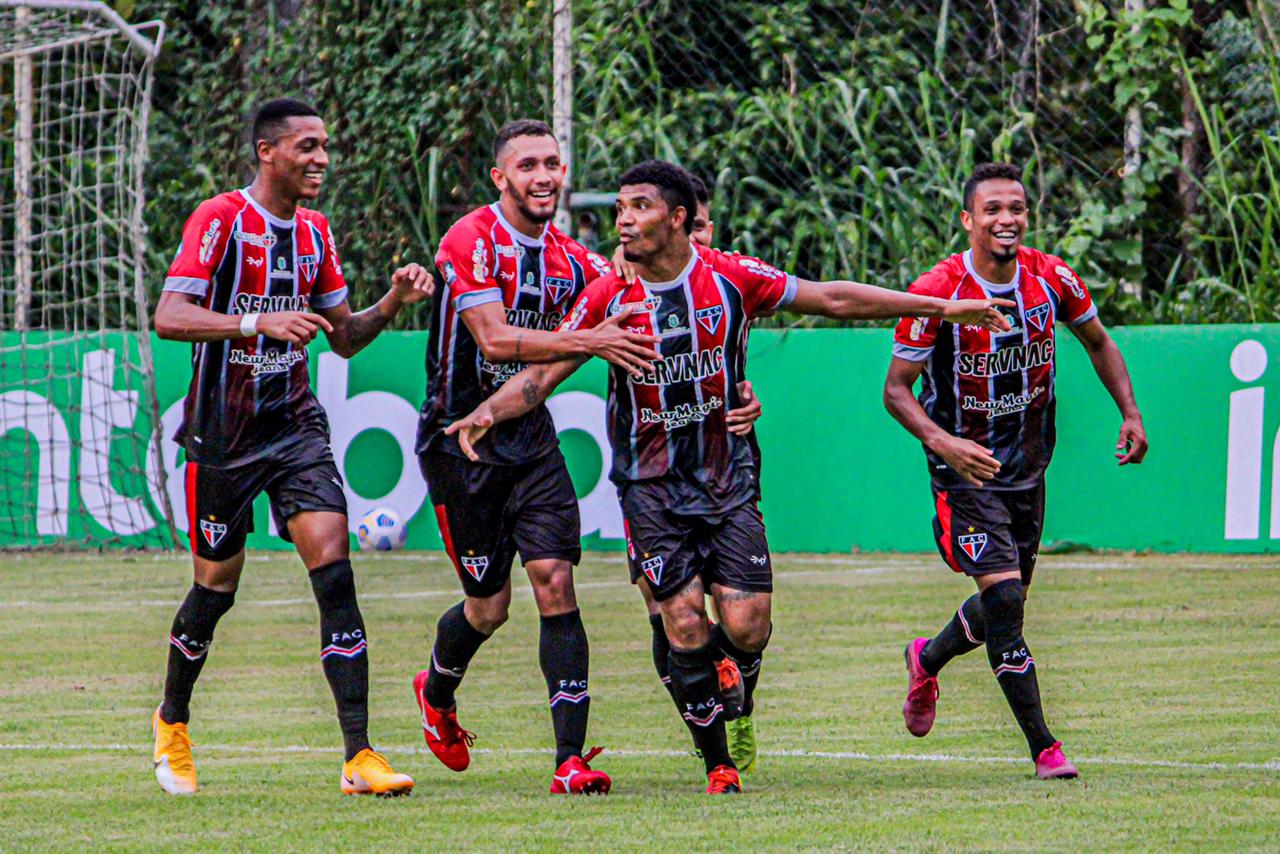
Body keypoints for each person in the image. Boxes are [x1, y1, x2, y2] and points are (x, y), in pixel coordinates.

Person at [446, 159, 1013, 794]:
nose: (623, 220)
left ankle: (730, 683)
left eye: (638, 207)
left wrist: (944, 307)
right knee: (682, 620)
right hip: (650, 487)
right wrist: (489, 411)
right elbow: (543, 376)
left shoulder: (731, 277)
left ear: (679, 218)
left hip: (727, 479)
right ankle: (718, 763)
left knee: (747, 626)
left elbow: (831, 296)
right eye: (620, 210)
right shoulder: (609, 295)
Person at [151, 98, 431, 796]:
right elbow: (169, 316)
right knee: (215, 591)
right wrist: (255, 323)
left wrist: (393, 302)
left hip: (294, 430)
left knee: (335, 574)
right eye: (307, 146)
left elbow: (342, 335)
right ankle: (172, 720)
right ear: (267, 151)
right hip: (223, 437)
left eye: (325, 146)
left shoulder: (315, 234)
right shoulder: (220, 221)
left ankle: (359, 756)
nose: (321, 159)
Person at [411, 119, 664, 795]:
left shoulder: (574, 258)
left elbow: (640, 289)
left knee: (555, 581)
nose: (545, 176)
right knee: (488, 608)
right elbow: (492, 341)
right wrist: (590, 339)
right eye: (528, 165)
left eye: (552, 163)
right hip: (460, 443)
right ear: (501, 178)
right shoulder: (471, 239)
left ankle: (568, 760)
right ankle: (436, 691)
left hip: (532, 443)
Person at [885, 162, 1148, 780]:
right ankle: (1045, 748)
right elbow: (897, 391)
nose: (1006, 220)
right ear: (968, 219)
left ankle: (927, 658)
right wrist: (943, 442)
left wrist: (1130, 412)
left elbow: (1099, 341)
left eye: (1017, 209)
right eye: (993, 210)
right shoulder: (939, 291)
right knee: (1004, 599)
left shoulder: (1050, 276)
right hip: (966, 473)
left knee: (1008, 604)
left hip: (1028, 467)